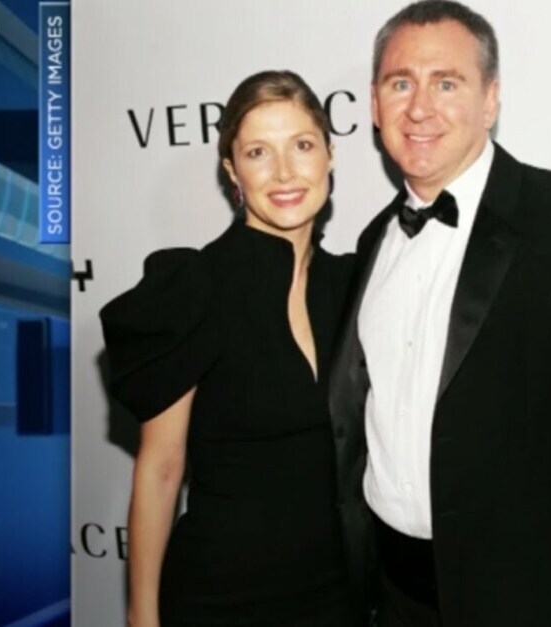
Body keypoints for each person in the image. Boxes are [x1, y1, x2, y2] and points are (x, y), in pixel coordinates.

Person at [326, 2, 551, 626]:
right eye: (400, 84)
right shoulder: (374, 241)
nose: (420, 108)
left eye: (447, 83)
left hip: (530, 599)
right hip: (396, 599)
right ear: (374, 106)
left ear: (490, 100)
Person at [101, 70, 360, 627]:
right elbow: (161, 467)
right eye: (258, 152)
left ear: (330, 156)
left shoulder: (354, 286)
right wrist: (142, 617)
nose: (285, 172)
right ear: (232, 171)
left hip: (339, 598)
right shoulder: (195, 288)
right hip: (220, 599)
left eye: (302, 145)